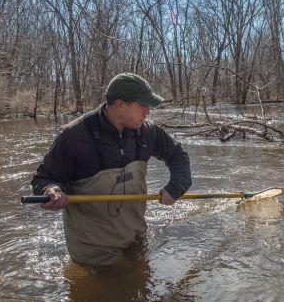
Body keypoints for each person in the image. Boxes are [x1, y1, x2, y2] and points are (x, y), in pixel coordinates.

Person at [31, 72, 192, 268]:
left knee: (141, 289)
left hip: (135, 237)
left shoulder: (148, 132)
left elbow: (178, 156)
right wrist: (51, 190)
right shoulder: (73, 136)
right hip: (94, 250)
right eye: (143, 105)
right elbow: (44, 177)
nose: (148, 112)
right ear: (120, 104)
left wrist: (176, 187)